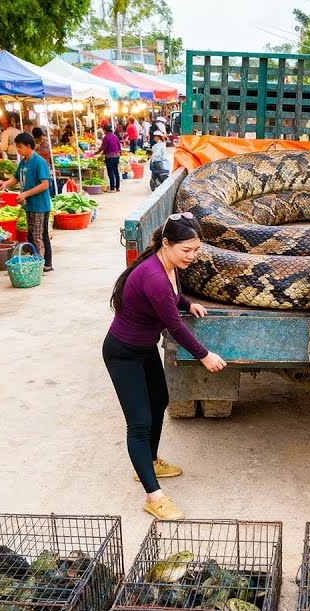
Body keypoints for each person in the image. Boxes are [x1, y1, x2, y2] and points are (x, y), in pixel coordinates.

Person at [104, 213, 227, 519]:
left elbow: (173, 300)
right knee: (139, 423)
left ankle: (152, 460)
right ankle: (153, 497)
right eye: (187, 250)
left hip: (143, 348)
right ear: (166, 244)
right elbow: (174, 327)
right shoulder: (154, 276)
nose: (192, 256)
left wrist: (188, 304)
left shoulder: (168, 267)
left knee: (160, 400)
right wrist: (204, 355)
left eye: (196, 250)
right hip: (123, 353)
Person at [0, 132, 54, 271]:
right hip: (30, 205)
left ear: (29, 146)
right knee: (35, 234)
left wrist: (25, 194)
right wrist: (5, 184)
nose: (18, 150)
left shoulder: (39, 162)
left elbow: (45, 184)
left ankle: (41, 264)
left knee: (37, 235)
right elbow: (16, 177)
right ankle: (44, 262)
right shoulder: (23, 162)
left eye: (20, 147)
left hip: (40, 205)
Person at [98, 123, 122, 193]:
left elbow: (103, 147)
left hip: (109, 157)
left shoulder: (106, 137)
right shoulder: (115, 136)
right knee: (116, 171)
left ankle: (112, 188)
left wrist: (98, 152)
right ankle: (117, 187)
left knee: (110, 172)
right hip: (116, 156)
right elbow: (119, 145)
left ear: (105, 130)